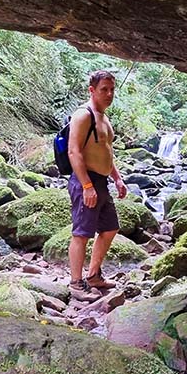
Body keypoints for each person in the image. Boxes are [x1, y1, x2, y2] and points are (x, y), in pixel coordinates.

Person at [67, 69, 127, 296]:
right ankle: (75, 283)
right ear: (92, 90)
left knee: (110, 228)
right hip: (86, 181)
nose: (109, 94)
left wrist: (118, 179)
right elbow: (74, 152)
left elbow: (106, 152)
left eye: (112, 90)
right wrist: (86, 186)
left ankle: (93, 276)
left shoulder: (104, 117)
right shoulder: (84, 115)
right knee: (82, 233)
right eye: (104, 90)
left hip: (102, 182)